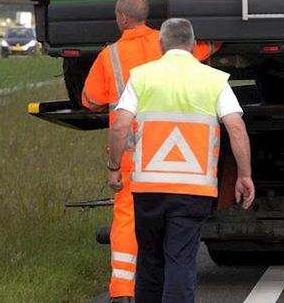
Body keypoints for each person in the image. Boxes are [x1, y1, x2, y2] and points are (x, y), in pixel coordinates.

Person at [106, 18, 254, 303]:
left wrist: (114, 167)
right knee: (181, 261)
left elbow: (120, 125)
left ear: (161, 44)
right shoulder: (214, 80)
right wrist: (244, 175)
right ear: (193, 45)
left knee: (150, 261)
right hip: (193, 190)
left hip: (148, 190)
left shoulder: (142, 76)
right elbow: (236, 128)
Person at [83, 0, 219, 302]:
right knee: (170, 231)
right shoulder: (168, 44)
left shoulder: (111, 55)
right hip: (167, 152)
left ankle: (121, 290)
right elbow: (207, 48)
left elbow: (89, 99)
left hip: (128, 152)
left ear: (122, 18)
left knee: (127, 219)